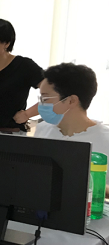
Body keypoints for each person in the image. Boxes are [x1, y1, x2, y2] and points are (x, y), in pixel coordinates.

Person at [34, 63, 109, 194]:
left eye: (45, 98)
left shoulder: (105, 140)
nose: (40, 105)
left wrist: (93, 187)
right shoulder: (42, 130)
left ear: (71, 101)